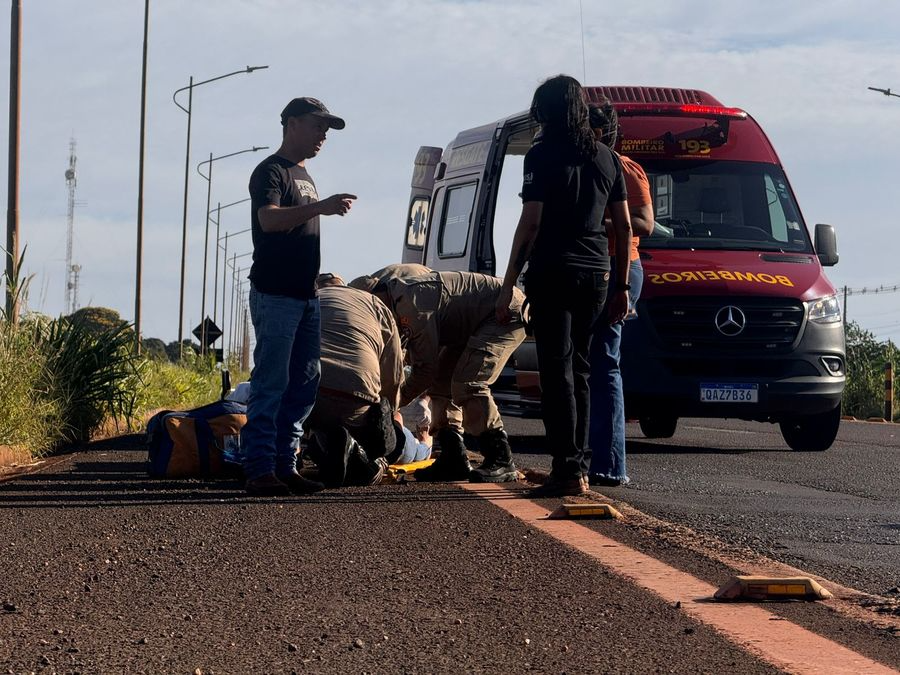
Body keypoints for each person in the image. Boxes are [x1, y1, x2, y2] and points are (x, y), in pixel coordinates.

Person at [496, 75, 632, 497]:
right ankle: (581, 467)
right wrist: (623, 285)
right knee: (583, 369)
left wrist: (508, 281)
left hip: (553, 271)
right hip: (596, 274)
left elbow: (531, 222)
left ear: (548, 111)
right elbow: (625, 227)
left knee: (557, 373)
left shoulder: (540, 154)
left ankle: (566, 469)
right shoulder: (608, 158)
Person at [240, 97, 357, 496]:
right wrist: (321, 208)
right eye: (316, 126)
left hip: (307, 295)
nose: (323, 135)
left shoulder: (304, 174)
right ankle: (259, 468)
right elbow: (268, 219)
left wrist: (317, 276)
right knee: (271, 382)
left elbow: (295, 234)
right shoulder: (271, 171)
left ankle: (284, 465)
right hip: (275, 295)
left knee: (305, 383)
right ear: (290, 124)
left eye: (327, 129)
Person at [371, 271, 527, 483]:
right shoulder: (397, 299)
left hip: (502, 313)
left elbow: (424, 371)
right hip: (469, 325)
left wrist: (391, 405)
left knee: (469, 383)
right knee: (441, 384)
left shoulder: (411, 304)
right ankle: (453, 456)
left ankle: (500, 458)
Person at [587, 102, 655, 487]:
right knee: (591, 363)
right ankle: (591, 458)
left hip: (621, 268)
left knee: (606, 363)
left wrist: (600, 219)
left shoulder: (627, 168)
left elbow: (645, 222)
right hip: (593, 267)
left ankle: (611, 463)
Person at [302, 278, 405, 486]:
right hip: (357, 400)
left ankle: (328, 447)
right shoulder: (375, 305)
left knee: (314, 423)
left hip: (310, 397)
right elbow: (393, 378)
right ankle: (372, 463)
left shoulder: (306, 301)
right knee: (391, 439)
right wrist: (388, 418)